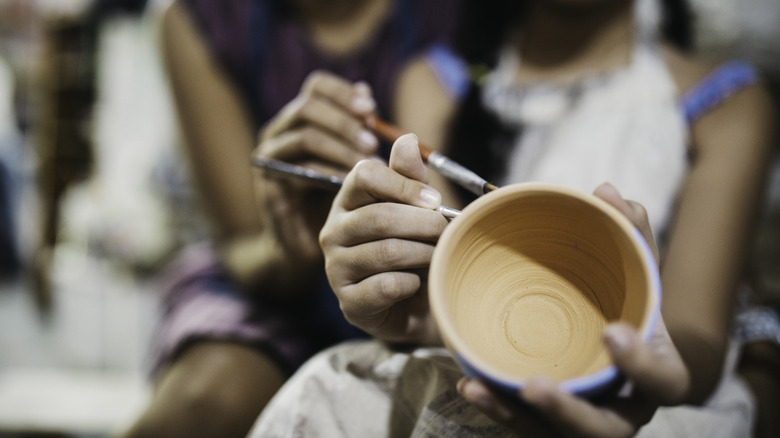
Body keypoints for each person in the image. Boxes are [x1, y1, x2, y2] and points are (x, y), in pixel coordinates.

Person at [246, 0, 777, 436]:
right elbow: (449, 286)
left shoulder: (727, 104)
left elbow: (695, 344)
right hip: (482, 358)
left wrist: (621, 363)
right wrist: (410, 309)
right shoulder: (432, 83)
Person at [119, 1, 464, 437]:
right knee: (206, 400)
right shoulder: (201, 18)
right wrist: (290, 247)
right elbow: (240, 244)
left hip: (433, 288)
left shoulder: (458, 19)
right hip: (267, 287)